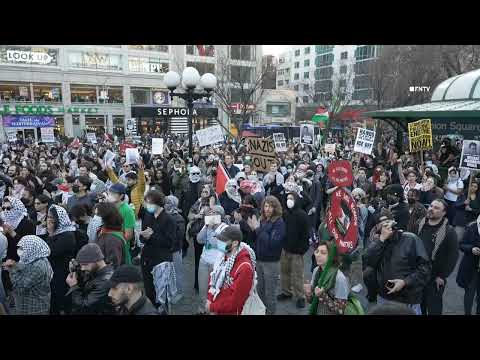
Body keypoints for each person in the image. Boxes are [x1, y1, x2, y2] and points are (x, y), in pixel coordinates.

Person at [364, 217, 431, 315]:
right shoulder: (380, 242)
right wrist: (381, 240)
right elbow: (369, 261)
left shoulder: (410, 239)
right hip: (384, 296)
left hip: (406, 299)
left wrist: (405, 282)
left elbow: (425, 269)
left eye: (386, 227)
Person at [415, 199, 458, 315]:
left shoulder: (449, 232)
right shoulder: (420, 223)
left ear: (444, 213)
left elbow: (453, 257)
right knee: (419, 304)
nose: (431, 209)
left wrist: (442, 276)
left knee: (434, 307)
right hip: (418, 273)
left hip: (435, 277)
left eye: (436, 208)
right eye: (431, 206)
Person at [247, 195, 285, 315]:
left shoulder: (279, 223)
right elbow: (256, 239)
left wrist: (258, 229)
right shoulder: (262, 220)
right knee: (260, 291)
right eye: (266, 206)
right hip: (259, 261)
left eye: (271, 206)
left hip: (271, 263)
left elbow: (272, 243)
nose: (267, 209)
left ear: (276, 208)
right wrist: (252, 229)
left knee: (270, 294)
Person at [139, 190, 177, 311]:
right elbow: (142, 236)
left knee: (162, 294)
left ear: (158, 203)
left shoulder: (168, 219)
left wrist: (152, 236)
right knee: (149, 291)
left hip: (161, 260)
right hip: (147, 258)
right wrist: (143, 236)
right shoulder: (147, 215)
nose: (147, 205)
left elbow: (170, 243)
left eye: (149, 202)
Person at [206, 225, 256, 315]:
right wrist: (210, 299)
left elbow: (235, 302)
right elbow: (213, 278)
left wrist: (212, 307)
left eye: (223, 240)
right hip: (218, 308)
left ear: (235, 243)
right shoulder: (223, 257)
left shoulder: (245, 268)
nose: (219, 243)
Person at [1, 235, 53, 315]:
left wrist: (11, 270)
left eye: (22, 248)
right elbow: (26, 267)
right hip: (32, 305)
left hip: (34, 308)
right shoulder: (36, 258)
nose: (20, 251)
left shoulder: (38, 266)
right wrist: (15, 265)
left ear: (31, 248)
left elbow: (20, 287)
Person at [278, 192, 310, 308]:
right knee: (284, 272)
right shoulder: (285, 214)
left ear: (296, 200)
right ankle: (286, 292)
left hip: (297, 252)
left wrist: (302, 250)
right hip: (285, 249)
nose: (289, 200)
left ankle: (300, 296)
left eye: (291, 198)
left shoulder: (302, 215)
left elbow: (306, 235)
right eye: (288, 198)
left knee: (297, 275)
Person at [196, 205, 229, 313]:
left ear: (220, 216)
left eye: (214, 213)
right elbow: (199, 239)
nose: (211, 215)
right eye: (211, 213)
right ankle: (203, 308)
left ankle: (212, 310)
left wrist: (213, 229)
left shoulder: (224, 228)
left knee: (214, 290)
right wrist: (206, 227)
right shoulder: (207, 225)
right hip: (204, 261)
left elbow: (221, 245)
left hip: (217, 264)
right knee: (202, 289)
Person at [45, 204, 77, 315]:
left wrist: (50, 232)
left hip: (61, 272)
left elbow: (50, 251)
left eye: (52, 217)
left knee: (60, 300)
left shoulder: (67, 235)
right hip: (53, 271)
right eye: (48, 217)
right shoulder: (56, 232)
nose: (49, 220)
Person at [66, 243, 115, 315]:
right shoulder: (95, 271)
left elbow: (85, 307)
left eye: (85, 264)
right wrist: (76, 273)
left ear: (97, 260)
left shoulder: (105, 281)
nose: (82, 268)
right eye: (81, 265)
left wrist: (74, 287)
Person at [305, 240, 350, 315]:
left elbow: (340, 310)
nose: (318, 255)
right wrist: (308, 293)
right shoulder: (316, 270)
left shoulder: (339, 278)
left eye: (323, 253)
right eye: (317, 251)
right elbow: (312, 301)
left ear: (331, 256)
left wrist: (323, 296)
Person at [94, 202, 130, 269]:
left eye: (97, 215)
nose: (95, 218)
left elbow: (113, 266)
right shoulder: (101, 231)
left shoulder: (112, 240)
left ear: (106, 217)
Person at [456, 216, 480, 315]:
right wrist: (471, 249)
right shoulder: (472, 227)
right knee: (470, 291)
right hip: (471, 267)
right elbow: (461, 244)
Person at [164, 195, 185, 302]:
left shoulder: (178, 218)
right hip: (165, 250)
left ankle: (179, 292)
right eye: (165, 202)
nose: (166, 205)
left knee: (177, 272)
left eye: (168, 203)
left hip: (175, 250)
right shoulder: (162, 216)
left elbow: (179, 235)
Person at [106, 183, 136, 250]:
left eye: (114, 194)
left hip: (120, 246)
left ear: (121, 196)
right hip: (107, 243)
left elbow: (128, 235)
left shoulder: (127, 210)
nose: (110, 195)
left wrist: (116, 243)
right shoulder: (108, 206)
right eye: (110, 193)